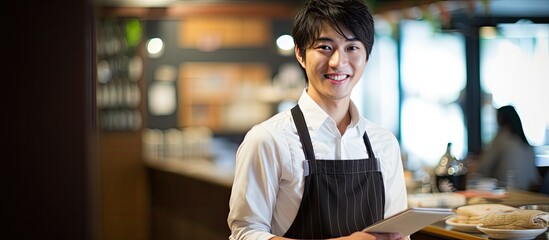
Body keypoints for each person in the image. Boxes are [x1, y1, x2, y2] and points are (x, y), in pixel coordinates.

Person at [227, 0, 408, 239]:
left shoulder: (383, 142)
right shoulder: (268, 139)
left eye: (352, 48)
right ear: (300, 54)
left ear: (367, 56)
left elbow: (398, 233)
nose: (338, 62)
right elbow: (245, 232)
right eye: (325, 47)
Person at [476, 105, 541, 191]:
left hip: (511, 191)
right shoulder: (524, 141)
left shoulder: (502, 138)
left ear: (501, 119)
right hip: (531, 191)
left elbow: (483, 167)